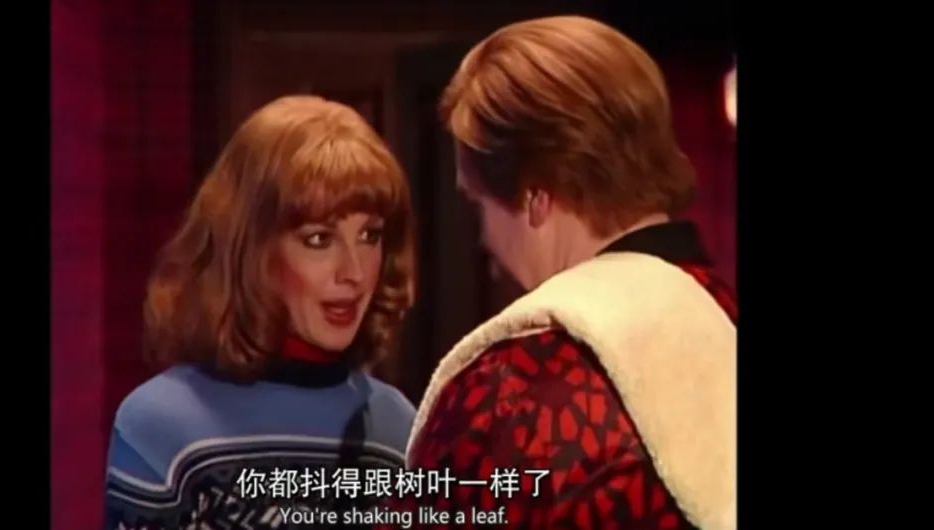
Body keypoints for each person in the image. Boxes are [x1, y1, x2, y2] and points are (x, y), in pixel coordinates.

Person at [387, 16, 736, 530]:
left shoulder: (509, 390)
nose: (484, 241)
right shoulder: (727, 318)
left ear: (535, 197)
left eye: (479, 205)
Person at [104, 95, 418, 530]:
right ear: (251, 250)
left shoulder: (397, 425)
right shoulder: (162, 424)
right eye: (318, 239)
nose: (355, 272)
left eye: (369, 236)